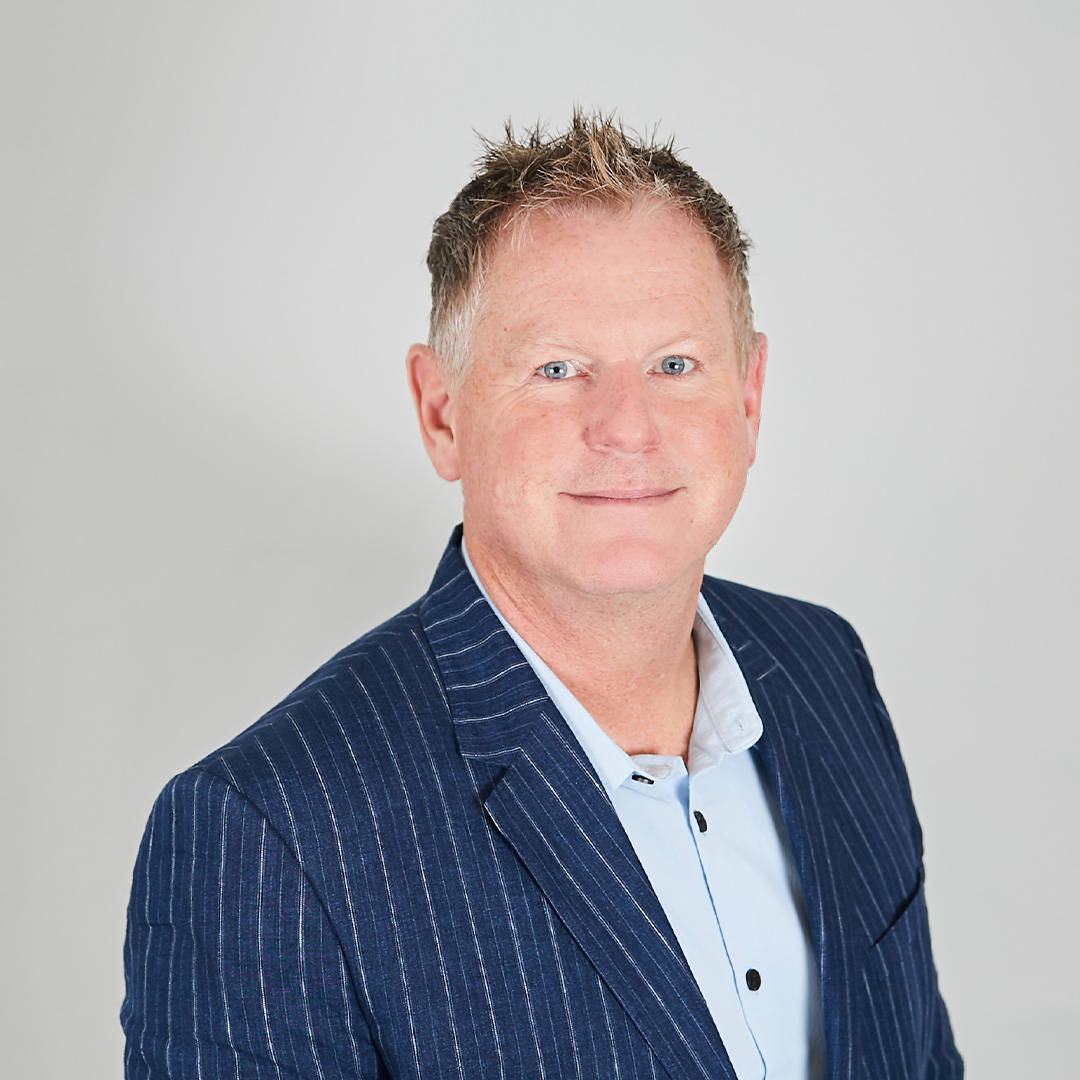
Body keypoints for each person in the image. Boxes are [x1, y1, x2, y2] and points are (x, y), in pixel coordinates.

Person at [121, 112, 962, 1079]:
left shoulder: (823, 668)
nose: (627, 427)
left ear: (749, 397)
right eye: (558, 369)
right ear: (442, 413)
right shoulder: (270, 834)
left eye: (675, 364)